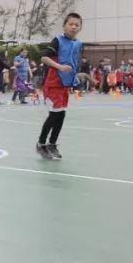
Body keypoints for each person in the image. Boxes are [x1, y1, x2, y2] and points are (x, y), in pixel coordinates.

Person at [36, 13, 83, 160]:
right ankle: (41, 144)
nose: (74, 27)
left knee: (61, 115)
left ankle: (52, 144)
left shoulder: (77, 44)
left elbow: (73, 63)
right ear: (64, 25)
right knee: (54, 115)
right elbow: (44, 57)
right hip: (53, 84)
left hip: (65, 85)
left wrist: (75, 77)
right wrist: (60, 67)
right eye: (71, 24)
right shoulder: (58, 41)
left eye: (77, 24)